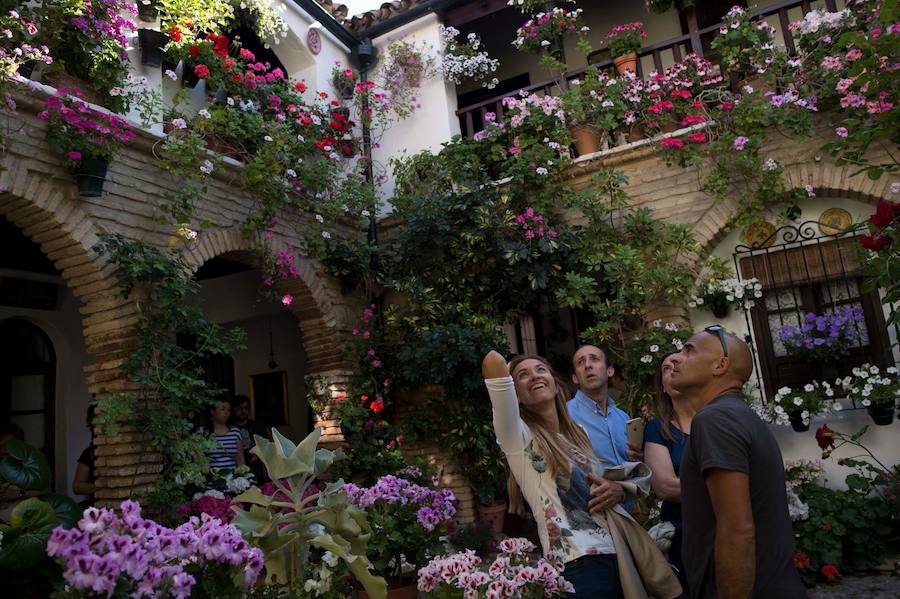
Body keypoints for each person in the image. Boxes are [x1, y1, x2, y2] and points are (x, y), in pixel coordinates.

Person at [483, 351, 681, 599]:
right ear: (516, 396)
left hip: (617, 554)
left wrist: (615, 489)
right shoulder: (517, 437)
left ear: (556, 385)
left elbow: (601, 487)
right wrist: (511, 376)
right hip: (575, 563)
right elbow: (492, 362)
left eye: (540, 370)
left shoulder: (578, 435)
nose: (534, 376)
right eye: (523, 375)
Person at [669, 326, 807, 599]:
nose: (675, 358)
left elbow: (737, 530)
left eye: (689, 350)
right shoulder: (737, 416)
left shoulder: (715, 420)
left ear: (720, 366)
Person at [643, 352, 695, 592]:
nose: (672, 369)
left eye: (678, 364)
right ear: (662, 386)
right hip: (684, 534)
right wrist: (726, 488)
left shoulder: (718, 420)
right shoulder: (656, 429)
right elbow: (664, 487)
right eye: (666, 368)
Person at [567, 345, 642, 488]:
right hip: (592, 504)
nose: (588, 365)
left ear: (610, 371)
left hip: (629, 505)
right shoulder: (565, 416)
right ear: (575, 378)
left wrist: (637, 458)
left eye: (594, 359)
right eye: (580, 362)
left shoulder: (623, 418)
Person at [231, 394, 269, 482]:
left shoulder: (257, 427)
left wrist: (257, 454)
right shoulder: (229, 429)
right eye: (240, 408)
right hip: (235, 468)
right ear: (234, 410)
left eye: (246, 408)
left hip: (256, 468)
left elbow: (267, 446)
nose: (243, 411)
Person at [205, 398, 245, 473]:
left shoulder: (235, 432)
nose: (227, 413)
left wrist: (244, 477)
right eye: (222, 409)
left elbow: (240, 459)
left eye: (229, 410)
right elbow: (200, 459)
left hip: (233, 480)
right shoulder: (202, 433)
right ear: (212, 411)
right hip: (211, 479)